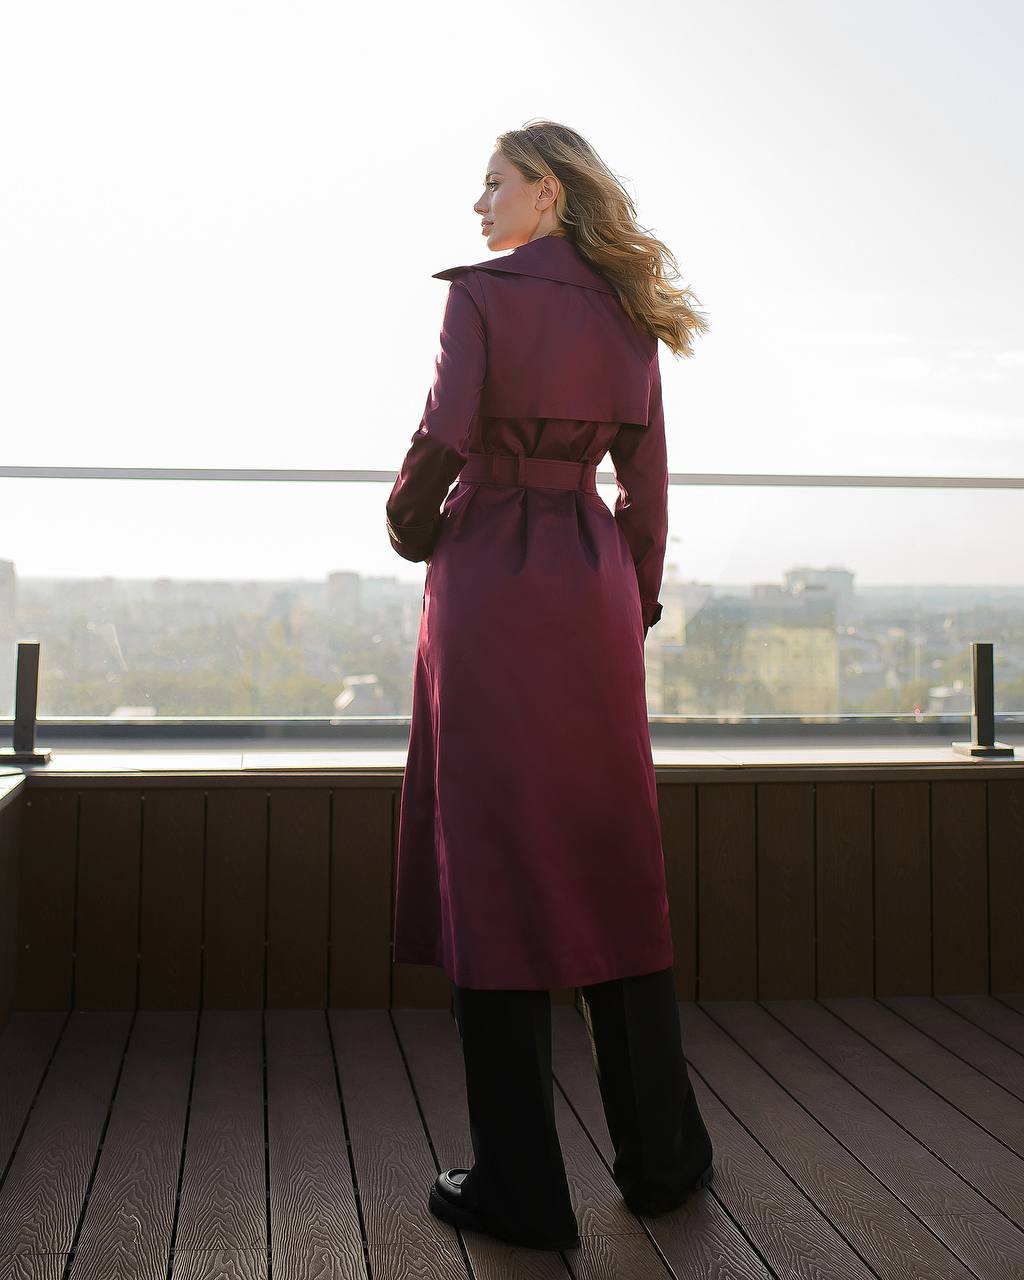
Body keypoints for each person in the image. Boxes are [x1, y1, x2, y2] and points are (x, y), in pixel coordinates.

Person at [385, 119, 713, 1252]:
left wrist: (408, 522)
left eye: (493, 184)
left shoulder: (479, 296)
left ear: (548, 194)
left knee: (494, 861)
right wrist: (636, 592)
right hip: (592, 584)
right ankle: (663, 1156)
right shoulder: (627, 311)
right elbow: (650, 485)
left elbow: (444, 430)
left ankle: (522, 1183)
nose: (478, 205)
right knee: (612, 854)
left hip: (491, 582)